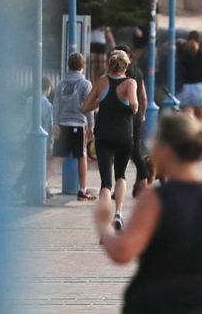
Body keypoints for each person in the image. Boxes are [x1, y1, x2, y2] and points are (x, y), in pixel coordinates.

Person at [94, 114, 202, 314]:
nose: (152, 151)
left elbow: (123, 252)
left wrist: (103, 225)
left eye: (154, 144)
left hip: (157, 301)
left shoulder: (155, 199)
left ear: (167, 149)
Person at [84, 50, 138, 231]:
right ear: (126, 65)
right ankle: (118, 214)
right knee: (120, 175)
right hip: (124, 135)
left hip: (104, 135)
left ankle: (104, 224)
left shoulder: (101, 82)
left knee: (105, 183)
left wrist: (102, 101)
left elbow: (85, 106)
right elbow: (134, 105)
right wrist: (128, 106)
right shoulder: (130, 83)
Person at [49, 53, 96, 201]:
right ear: (83, 66)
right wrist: (91, 125)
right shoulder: (85, 83)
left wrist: (55, 124)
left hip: (62, 124)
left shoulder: (61, 83)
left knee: (57, 157)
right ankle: (82, 189)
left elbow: (56, 105)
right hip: (78, 124)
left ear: (69, 65)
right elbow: (88, 105)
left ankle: (43, 184)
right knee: (81, 157)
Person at [112, 45, 150, 198]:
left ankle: (140, 180)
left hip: (123, 117)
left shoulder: (119, 73)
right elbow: (144, 96)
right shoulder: (137, 71)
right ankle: (142, 183)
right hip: (136, 115)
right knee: (133, 151)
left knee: (122, 152)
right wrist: (143, 114)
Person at [15, 76, 55, 198]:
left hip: (26, 134)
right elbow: (49, 124)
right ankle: (38, 187)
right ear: (48, 88)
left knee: (30, 161)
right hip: (41, 138)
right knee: (40, 163)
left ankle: (21, 185)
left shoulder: (29, 100)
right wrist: (51, 142)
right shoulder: (47, 104)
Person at [177, 30, 202, 128]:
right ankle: (198, 136)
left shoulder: (183, 54)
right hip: (201, 87)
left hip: (187, 87)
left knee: (186, 115)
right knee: (201, 117)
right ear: (200, 41)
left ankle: (188, 133)